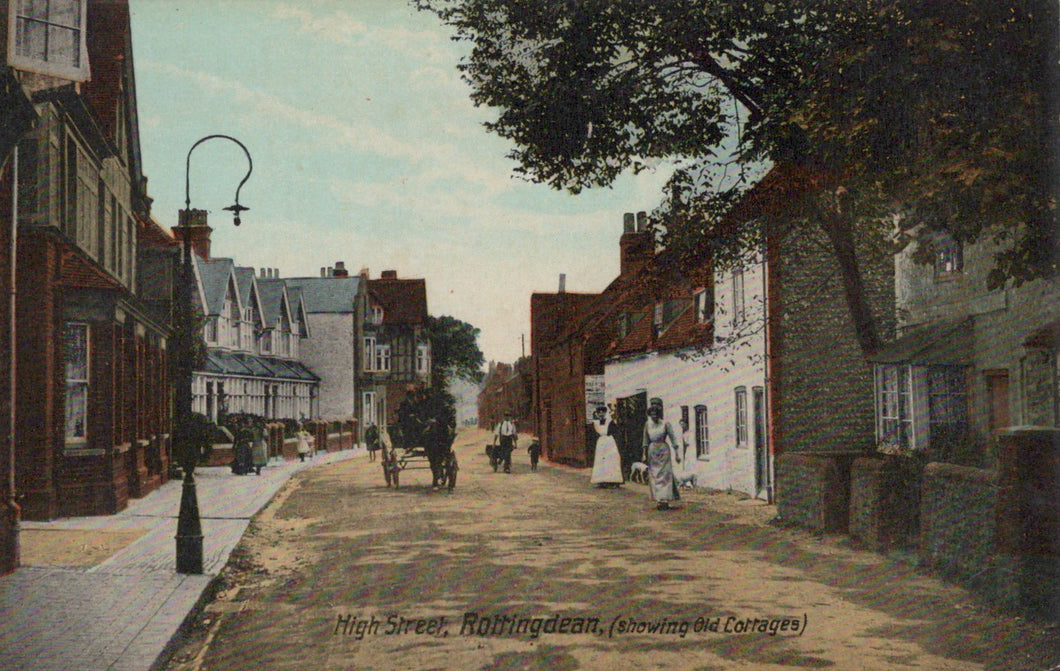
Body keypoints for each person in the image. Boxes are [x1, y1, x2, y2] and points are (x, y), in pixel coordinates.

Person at [641, 397, 681, 510]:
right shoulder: (647, 424)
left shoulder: (665, 424)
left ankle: (665, 499)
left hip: (663, 450)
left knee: (664, 475)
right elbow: (645, 440)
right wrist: (644, 453)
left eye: (656, 414)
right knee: (655, 475)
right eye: (652, 415)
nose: (654, 417)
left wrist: (677, 453)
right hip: (652, 451)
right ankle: (658, 499)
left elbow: (673, 438)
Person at [589, 405, 623, 488]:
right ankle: (601, 480)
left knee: (611, 460)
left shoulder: (610, 421)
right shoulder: (595, 422)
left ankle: (613, 480)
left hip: (609, 442)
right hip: (601, 442)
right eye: (599, 412)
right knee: (600, 460)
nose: (601, 414)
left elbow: (615, 431)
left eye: (603, 412)